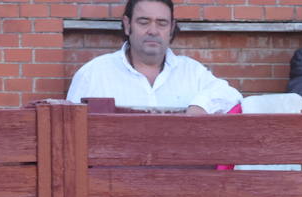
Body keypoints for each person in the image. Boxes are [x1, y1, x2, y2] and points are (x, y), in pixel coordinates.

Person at [66, 0, 241, 114]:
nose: (153, 30)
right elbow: (69, 128)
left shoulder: (192, 72)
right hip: (114, 171)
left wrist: (201, 105)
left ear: (171, 28)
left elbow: (232, 95)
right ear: (127, 25)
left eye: (162, 23)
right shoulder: (94, 74)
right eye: (144, 22)